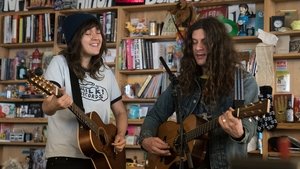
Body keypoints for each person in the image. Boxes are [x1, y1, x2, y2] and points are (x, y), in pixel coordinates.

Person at [139, 17, 259, 169]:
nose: (198, 48)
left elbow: (248, 130)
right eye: (194, 42)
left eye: (204, 42)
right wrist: (145, 139)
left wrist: (239, 132)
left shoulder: (243, 82)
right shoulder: (182, 82)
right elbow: (154, 115)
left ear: (218, 46)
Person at [42, 13, 128, 169]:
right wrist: (56, 103)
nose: (96, 37)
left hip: (100, 156)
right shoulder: (59, 63)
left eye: (98, 31)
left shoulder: (106, 71)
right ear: (75, 39)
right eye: (88, 33)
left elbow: (120, 112)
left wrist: (121, 135)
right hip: (65, 157)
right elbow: (46, 107)